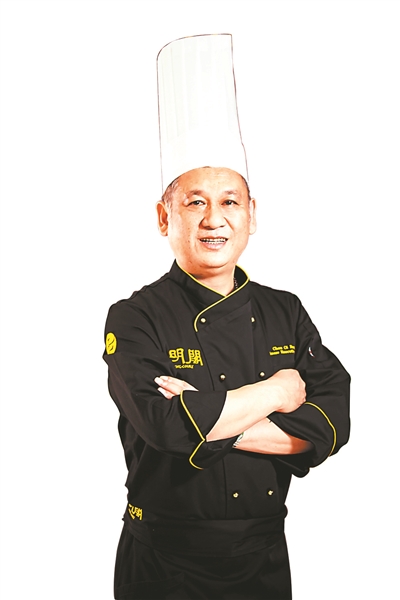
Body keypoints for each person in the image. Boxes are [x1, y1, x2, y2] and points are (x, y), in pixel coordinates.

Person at [103, 165, 350, 599]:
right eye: (195, 202)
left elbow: (331, 425)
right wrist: (276, 392)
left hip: (264, 558)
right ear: (164, 218)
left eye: (229, 202)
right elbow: (165, 426)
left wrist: (207, 419)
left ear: (251, 215)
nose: (214, 218)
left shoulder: (286, 311)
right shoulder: (134, 317)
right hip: (165, 558)